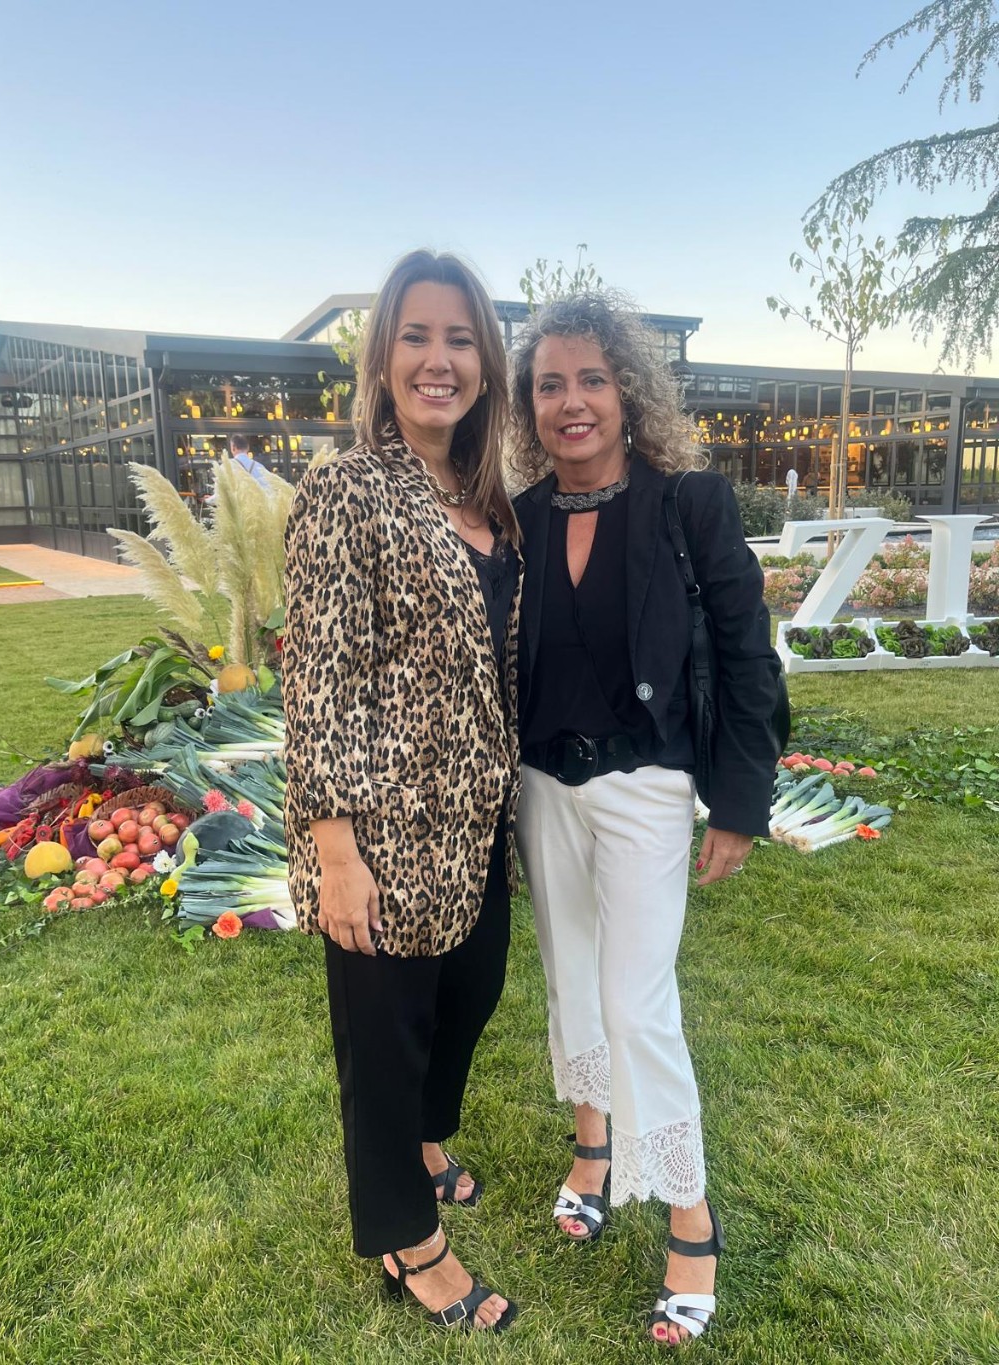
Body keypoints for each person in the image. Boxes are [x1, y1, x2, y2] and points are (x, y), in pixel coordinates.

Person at [509, 293, 782, 1348]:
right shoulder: (519, 517)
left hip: (647, 788)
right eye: (550, 384)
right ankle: (593, 1144)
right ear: (530, 404)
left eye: (591, 379)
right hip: (542, 786)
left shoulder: (687, 504)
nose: (571, 402)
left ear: (626, 390)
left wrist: (739, 802)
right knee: (570, 980)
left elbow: (747, 654)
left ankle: (689, 1213)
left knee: (637, 1002)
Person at [281, 250, 521, 1334]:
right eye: (417, 336)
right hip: (379, 828)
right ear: (382, 357)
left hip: (475, 823)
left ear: (485, 362)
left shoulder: (487, 497)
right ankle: (407, 1239)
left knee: (470, 995)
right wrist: (335, 850)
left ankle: (426, 1141)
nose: (439, 359)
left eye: (460, 339)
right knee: (382, 1043)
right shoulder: (347, 489)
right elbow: (319, 676)